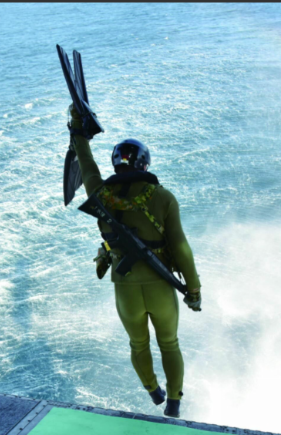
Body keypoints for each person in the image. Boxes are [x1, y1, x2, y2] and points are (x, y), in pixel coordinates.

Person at [69, 105, 202, 418]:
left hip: (125, 287)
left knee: (138, 344)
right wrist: (194, 289)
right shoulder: (162, 197)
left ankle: (152, 390)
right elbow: (180, 248)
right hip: (159, 285)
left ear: (116, 163)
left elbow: (86, 162)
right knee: (169, 343)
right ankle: (173, 402)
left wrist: (77, 127)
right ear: (144, 163)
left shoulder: (100, 193)